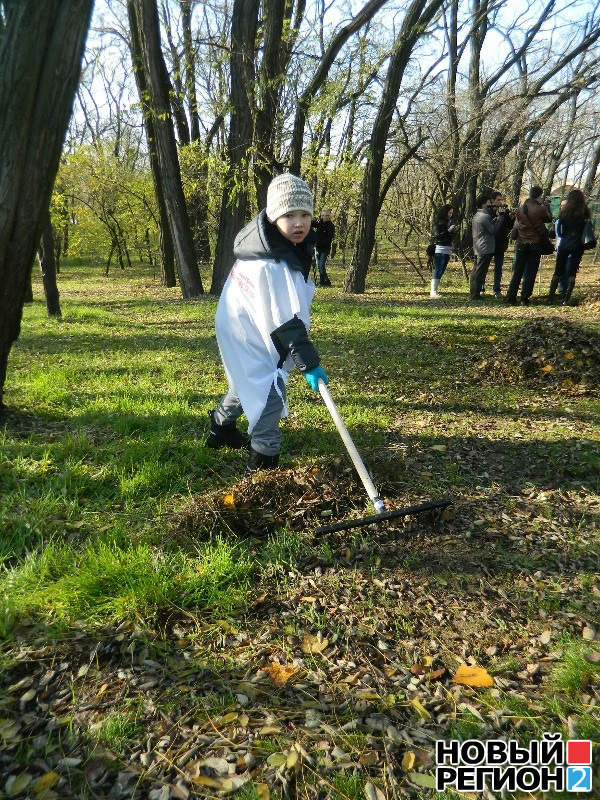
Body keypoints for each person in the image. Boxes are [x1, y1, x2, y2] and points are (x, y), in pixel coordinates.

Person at [206, 173, 328, 471]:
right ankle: (263, 465)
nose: (299, 223)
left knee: (244, 379)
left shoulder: (269, 243)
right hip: (248, 332)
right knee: (268, 393)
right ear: (274, 217)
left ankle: (219, 428)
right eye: (289, 215)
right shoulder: (269, 260)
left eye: (305, 215)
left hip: (240, 328)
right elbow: (286, 322)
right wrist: (309, 363)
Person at [505, 186, 552, 305]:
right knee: (530, 272)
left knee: (517, 271)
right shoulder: (539, 209)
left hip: (521, 243)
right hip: (535, 244)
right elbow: (548, 219)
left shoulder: (520, 208)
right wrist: (546, 206)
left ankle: (510, 297)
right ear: (539, 196)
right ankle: (524, 298)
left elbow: (516, 225)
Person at [548, 188, 591, 305]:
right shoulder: (585, 212)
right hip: (578, 245)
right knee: (572, 272)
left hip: (564, 244)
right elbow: (587, 229)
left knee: (558, 270)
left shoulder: (565, 212)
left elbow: (558, 229)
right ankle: (566, 299)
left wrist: (562, 236)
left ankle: (551, 297)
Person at [470, 192, 506, 301]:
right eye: (489, 202)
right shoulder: (484, 216)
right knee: (480, 272)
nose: (491, 204)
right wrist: (500, 218)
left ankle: (474, 293)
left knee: (476, 271)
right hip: (484, 247)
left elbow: (488, 227)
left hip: (479, 247)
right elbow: (493, 230)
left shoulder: (478, 215)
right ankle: (475, 295)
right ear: (484, 204)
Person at [481, 191, 513, 297]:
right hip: (489, 243)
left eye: (501, 200)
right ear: (493, 200)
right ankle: (481, 288)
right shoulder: (488, 212)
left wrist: (505, 215)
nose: (500, 202)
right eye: (498, 200)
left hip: (500, 244)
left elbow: (510, 225)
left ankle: (496, 290)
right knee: (484, 267)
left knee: (498, 268)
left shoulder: (504, 212)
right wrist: (498, 217)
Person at [430, 204, 458, 298]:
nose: (450, 215)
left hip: (447, 249)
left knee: (442, 270)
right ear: (444, 212)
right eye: (449, 213)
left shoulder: (449, 222)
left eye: (451, 213)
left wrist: (453, 231)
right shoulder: (439, 223)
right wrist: (449, 231)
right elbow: (438, 236)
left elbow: (448, 236)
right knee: (438, 269)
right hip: (440, 249)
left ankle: (435, 290)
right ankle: (433, 291)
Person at [312, 209, 335, 286]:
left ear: (329, 216)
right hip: (317, 248)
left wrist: (318, 242)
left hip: (325, 249)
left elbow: (329, 239)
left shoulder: (331, 226)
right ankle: (322, 282)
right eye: (323, 215)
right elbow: (311, 223)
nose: (325, 217)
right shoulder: (319, 222)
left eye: (327, 215)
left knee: (321, 266)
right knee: (319, 266)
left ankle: (327, 281)